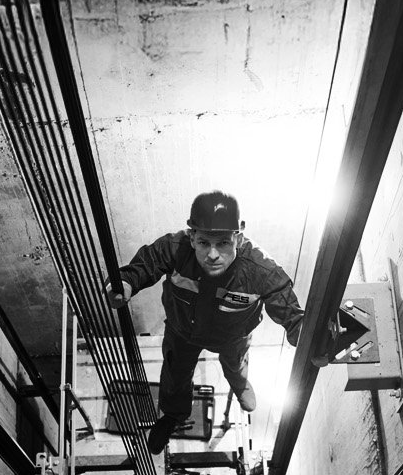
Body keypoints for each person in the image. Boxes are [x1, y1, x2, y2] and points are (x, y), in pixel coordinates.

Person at [108, 190, 304, 454]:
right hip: (182, 332)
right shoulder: (176, 249)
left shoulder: (261, 271)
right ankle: (173, 415)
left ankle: (239, 383)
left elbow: (291, 313)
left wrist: (306, 336)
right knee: (175, 374)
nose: (213, 254)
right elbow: (148, 263)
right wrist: (126, 283)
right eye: (203, 243)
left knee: (236, 365)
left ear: (239, 234)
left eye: (223, 243)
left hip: (232, 337)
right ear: (191, 236)